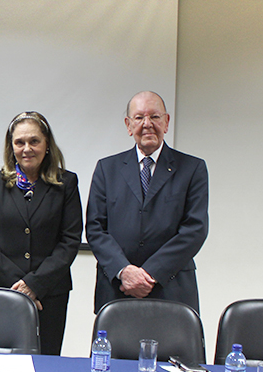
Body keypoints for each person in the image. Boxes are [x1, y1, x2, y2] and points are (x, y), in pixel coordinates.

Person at [85, 91, 209, 314]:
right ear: (128, 125)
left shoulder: (192, 169)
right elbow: (95, 229)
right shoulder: (107, 169)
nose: (147, 124)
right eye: (139, 117)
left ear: (167, 122)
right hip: (117, 289)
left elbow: (195, 229)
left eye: (155, 116)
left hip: (172, 290)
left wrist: (150, 274)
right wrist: (125, 271)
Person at [0, 111, 82, 355]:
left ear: (47, 145)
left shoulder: (66, 183)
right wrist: (20, 286)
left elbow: (69, 241)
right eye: (19, 142)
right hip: (4, 290)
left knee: (46, 360)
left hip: (51, 293)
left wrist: (34, 284)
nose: (27, 148)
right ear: (11, 146)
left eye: (34, 141)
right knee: (2, 361)